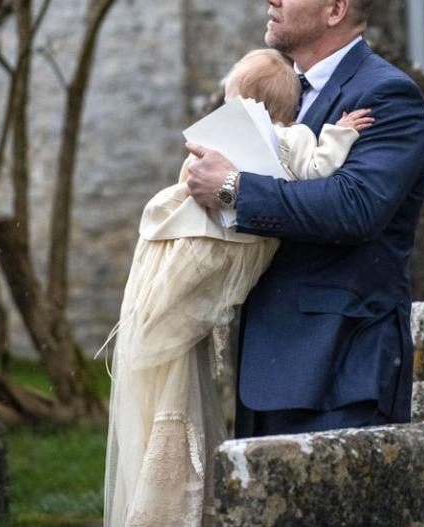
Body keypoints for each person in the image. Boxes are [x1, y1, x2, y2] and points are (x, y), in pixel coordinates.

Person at [103, 47, 373, 527]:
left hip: (229, 243)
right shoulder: (297, 135)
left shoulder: (288, 138)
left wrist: (339, 131)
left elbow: (318, 173)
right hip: (230, 242)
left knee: (162, 332)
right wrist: (341, 133)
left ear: (256, 110)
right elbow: (320, 163)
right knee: (162, 330)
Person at [185, 0, 424, 437]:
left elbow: (355, 206)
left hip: (341, 371)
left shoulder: (387, 95)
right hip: (264, 363)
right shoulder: (281, 90)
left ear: (335, 10)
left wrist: (234, 187)